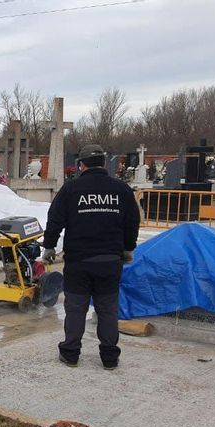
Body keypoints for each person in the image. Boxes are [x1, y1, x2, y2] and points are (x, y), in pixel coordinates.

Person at [42, 144, 140, 370]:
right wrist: (128, 248)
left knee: (76, 309)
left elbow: (55, 219)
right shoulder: (121, 189)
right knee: (107, 309)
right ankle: (109, 357)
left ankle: (70, 353)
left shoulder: (71, 189)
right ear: (104, 163)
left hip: (79, 261)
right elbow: (132, 222)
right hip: (109, 261)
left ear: (81, 165)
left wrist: (49, 247)